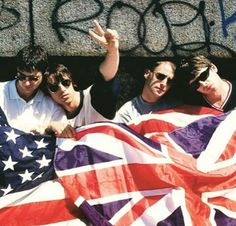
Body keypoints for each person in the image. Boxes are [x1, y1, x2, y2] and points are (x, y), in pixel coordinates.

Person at [44, 20, 120, 138]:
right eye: (54, 87)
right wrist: (50, 126)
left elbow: (107, 77)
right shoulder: (55, 114)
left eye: (65, 82)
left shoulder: (92, 98)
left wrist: (112, 52)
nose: (62, 89)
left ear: (73, 82)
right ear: (49, 93)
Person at [0, 44, 67, 133]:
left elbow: (63, 130)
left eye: (33, 78)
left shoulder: (51, 106)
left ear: (44, 74)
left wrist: (48, 128)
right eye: (22, 76)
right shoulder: (2, 91)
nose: (26, 83)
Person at [114, 60, 182, 123]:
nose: (164, 84)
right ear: (147, 73)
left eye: (169, 81)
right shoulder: (128, 112)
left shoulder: (177, 107)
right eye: (160, 76)